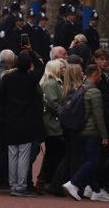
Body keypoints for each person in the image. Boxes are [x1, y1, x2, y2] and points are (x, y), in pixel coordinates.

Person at [0, 51, 45, 197]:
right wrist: (31, 52)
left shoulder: (8, 78)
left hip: (10, 120)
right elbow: (41, 67)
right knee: (23, 155)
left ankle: (13, 184)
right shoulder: (31, 79)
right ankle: (21, 185)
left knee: (12, 154)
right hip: (27, 121)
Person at [63, 64, 109, 201]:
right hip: (92, 131)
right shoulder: (94, 92)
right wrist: (104, 136)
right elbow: (98, 116)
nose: (101, 77)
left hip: (80, 130)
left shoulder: (80, 88)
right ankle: (74, 183)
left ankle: (94, 189)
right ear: (95, 75)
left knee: (88, 160)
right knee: (93, 161)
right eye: (99, 75)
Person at [38, 59, 66, 194]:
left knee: (54, 154)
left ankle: (47, 181)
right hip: (52, 124)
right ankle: (47, 181)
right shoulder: (51, 83)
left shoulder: (57, 82)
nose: (64, 69)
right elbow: (52, 104)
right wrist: (65, 112)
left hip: (55, 123)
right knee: (53, 155)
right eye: (61, 67)